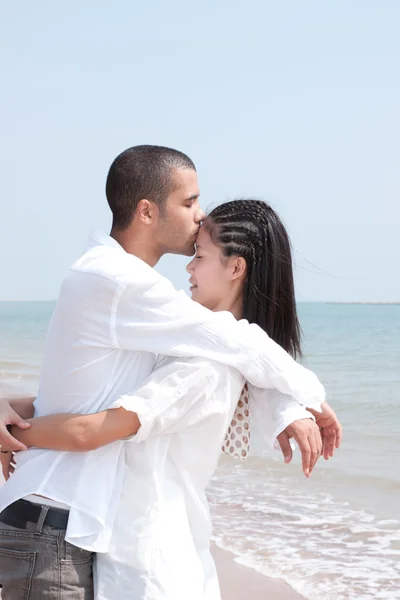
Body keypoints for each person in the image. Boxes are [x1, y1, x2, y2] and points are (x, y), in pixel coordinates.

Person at [0, 146, 339, 600]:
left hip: (103, 540)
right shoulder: (125, 286)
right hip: (63, 521)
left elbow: (228, 349)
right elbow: (235, 342)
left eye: (201, 254)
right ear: (146, 210)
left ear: (235, 268)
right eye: (189, 202)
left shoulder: (156, 322)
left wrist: (290, 403)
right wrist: (303, 395)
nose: (198, 217)